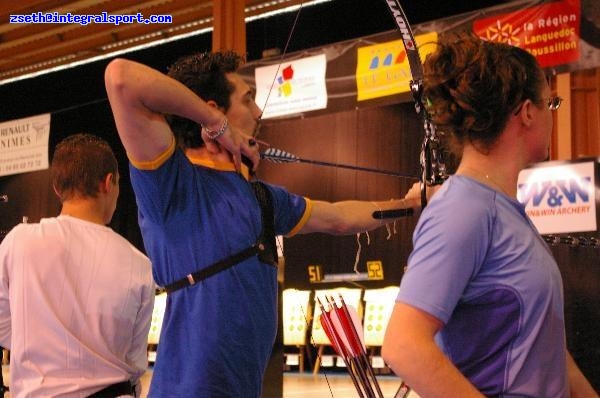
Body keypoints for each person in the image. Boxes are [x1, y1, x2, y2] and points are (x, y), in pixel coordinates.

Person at [104, 51, 427, 397]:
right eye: (248, 99)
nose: (259, 112)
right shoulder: (171, 182)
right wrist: (217, 123)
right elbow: (120, 78)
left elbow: (337, 218)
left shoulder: (261, 197)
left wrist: (410, 205)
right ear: (214, 108)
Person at [381, 34, 598, 397]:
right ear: (528, 112)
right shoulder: (464, 208)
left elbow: (544, 348)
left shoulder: (501, 209)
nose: (551, 115)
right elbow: (404, 345)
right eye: (552, 103)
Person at [0, 134, 155, 397]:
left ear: (57, 189)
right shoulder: (139, 265)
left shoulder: (19, 242)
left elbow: (3, 322)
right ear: (109, 183)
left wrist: (44, 345)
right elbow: (134, 359)